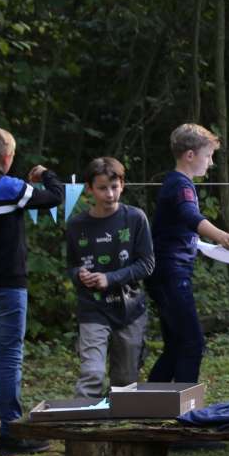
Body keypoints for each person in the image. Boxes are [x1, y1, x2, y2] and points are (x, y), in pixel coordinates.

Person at [0, 126, 65, 454]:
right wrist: (47, 174)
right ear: (7, 157)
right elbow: (56, 197)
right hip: (7, 282)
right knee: (9, 357)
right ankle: (10, 431)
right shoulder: (11, 186)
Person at [147, 123, 229, 384]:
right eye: (208, 155)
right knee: (193, 342)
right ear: (190, 155)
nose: (210, 163)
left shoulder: (178, 183)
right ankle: (187, 410)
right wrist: (221, 236)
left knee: (176, 344)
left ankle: (149, 403)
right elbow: (190, 216)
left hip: (166, 273)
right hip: (170, 273)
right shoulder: (180, 185)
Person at [65, 156, 154, 398]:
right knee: (92, 374)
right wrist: (78, 274)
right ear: (89, 189)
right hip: (92, 308)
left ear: (122, 185)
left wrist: (110, 278)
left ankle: (118, 434)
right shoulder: (76, 225)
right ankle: (79, 433)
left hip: (130, 308)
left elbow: (147, 264)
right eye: (103, 188)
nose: (110, 194)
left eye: (114, 187)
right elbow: (71, 265)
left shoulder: (135, 218)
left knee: (124, 382)